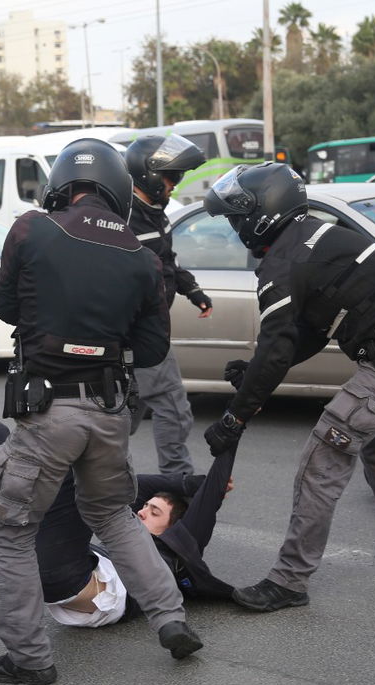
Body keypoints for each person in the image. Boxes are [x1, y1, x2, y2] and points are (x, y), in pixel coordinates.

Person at [0, 137, 203, 685]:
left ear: (61, 184)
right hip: (108, 412)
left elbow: (5, 304)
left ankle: (29, 659)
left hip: (48, 411)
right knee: (114, 516)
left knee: (7, 530)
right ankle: (171, 619)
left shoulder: (32, 229)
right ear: (119, 191)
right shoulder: (142, 257)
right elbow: (150, 350)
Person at [201, 161, 375, 612]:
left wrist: (234, 418)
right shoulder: (317, 233)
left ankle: (289, 581)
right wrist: (256, 369)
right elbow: (309, 331)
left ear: (261, 214)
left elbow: (278, 348)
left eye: (237, 218)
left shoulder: (285, 264)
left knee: (321, 462)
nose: (236, 227)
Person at [0, 340, 238, 623]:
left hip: (86, 586)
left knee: (72, 461)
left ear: (173, 528)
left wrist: (240, 410)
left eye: (154, 513)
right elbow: (134, 486)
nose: (143, 512)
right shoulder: (127, 531)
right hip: (58, 567)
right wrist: (186, 482)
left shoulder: (181, 544)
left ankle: (72, 384)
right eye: (146, 508)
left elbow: (209, 498)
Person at [124, 134, 213, 476]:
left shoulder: (154, 215)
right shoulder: (129, 221)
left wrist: (193, 291)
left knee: (121, 415)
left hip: (147, 331)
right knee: (172, 409)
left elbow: (168, 261)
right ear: (148, 175)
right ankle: (178, 485)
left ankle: (97, 480)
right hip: (142, 332)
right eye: (170, 177)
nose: (175, 184)